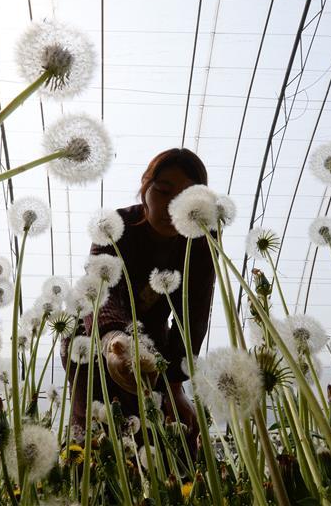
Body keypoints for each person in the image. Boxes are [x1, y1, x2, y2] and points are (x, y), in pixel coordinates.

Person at [61, 148, 217, 450]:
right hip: (93, 340)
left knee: (165, 437)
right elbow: (100, 294)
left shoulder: (201, 240)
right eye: (163, 191)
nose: (173, 206)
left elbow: (193, 316)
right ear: (145, 187)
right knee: (98, 434)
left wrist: (175, 384)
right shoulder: (114, 227)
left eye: (186, 197)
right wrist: (114, 341)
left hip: (154, 345)